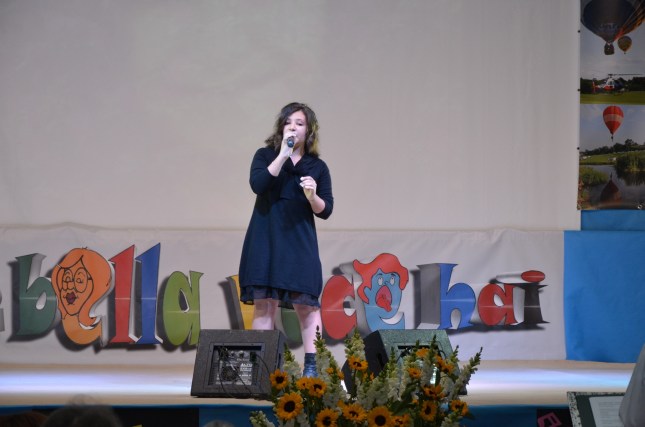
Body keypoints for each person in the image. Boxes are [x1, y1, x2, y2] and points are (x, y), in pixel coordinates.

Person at [238, 102, 334, 377]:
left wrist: (312, 196)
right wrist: (282, 155)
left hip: (299, 243)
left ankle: (312, 369)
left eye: (299, 123)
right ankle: (261, 369)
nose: (293, 127)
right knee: (264, 304)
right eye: (288, 122)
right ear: (281, 128)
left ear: (309, 130)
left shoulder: (317, 166)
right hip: (265, 240)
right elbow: (258, 185)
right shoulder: (265, 155)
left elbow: (326, 209)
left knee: (307, 305)